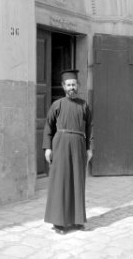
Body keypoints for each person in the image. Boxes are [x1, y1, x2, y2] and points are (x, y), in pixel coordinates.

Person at [42, 69, 94, 234]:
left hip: (79, 145)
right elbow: (48, 127)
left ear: (77, 86)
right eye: (68, 85)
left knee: (78, 182)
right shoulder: (57, 105)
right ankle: (59, 222)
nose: (71, 87)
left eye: (74, 84)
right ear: (64, 87)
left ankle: (78, 220)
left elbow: (90, 128)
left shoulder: (84, 105)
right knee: (61, 182)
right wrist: (48, 148)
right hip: (61, 146)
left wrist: (89, 148)